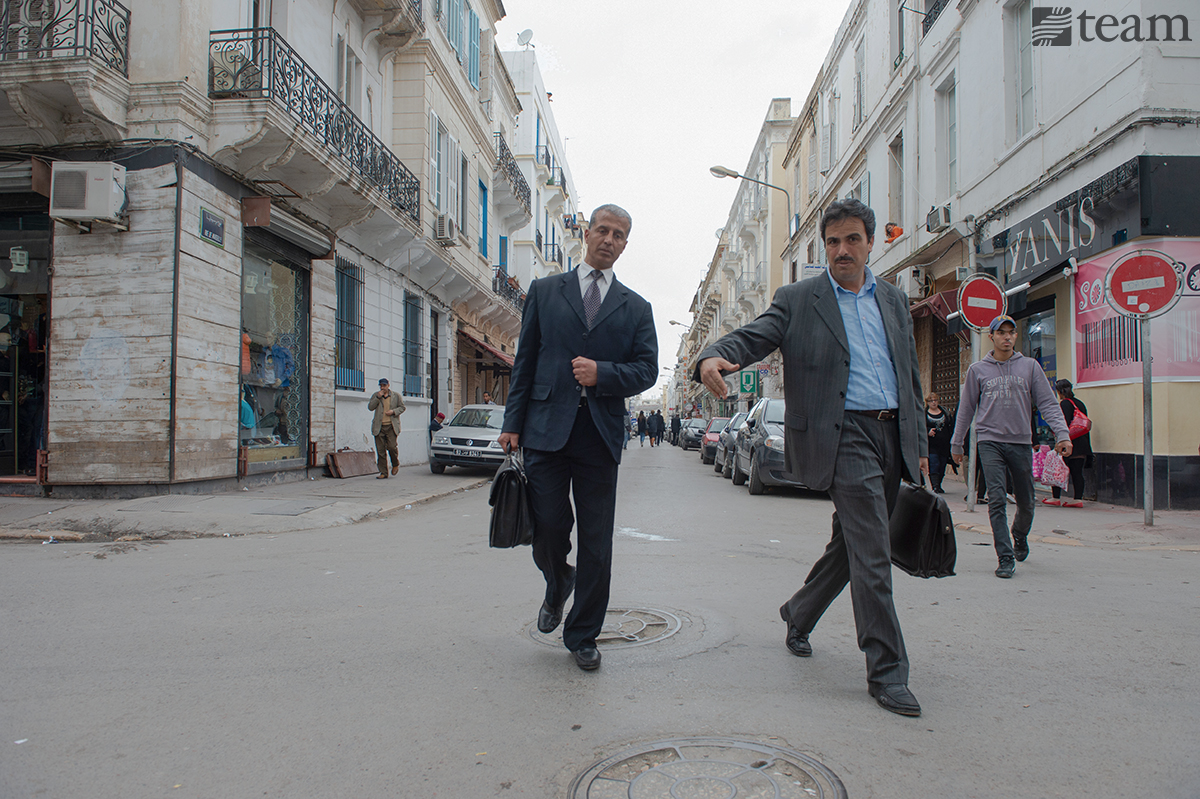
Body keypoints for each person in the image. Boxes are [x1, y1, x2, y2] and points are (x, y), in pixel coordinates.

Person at [696, 198, 928, 717]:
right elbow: (756, 334)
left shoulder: (892, 300)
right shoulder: (800, 298)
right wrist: (713, 356)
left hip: (892, 435)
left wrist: (919, 451)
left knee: (852, 545)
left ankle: (798, 613)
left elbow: (908, 376)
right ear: (823, 248)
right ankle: (887, 671)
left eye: (851, 240)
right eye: (832, 242)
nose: (841, 250)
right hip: (841, 435)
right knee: (873, 550)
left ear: (871, 242)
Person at [497, 204, 658, 672]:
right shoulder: (546, 292)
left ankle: (583, 634)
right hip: (545, 430)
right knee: (547, 527)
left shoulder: (636, 307)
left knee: (597, 542)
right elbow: (524, 361)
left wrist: (601, 373)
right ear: (587, 234)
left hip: (599, 436)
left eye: (619, 235)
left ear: (626, 244)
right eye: (603, 230)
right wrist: (512, 423)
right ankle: (557, 580)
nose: (609, 240)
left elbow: (647, 370)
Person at [951, 315, 1070, 578]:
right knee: (996, 498)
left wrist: (1062, 433)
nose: (1007, 337)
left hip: (1020, 441)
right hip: (989, 442)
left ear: (1015, 336)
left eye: (1011, 332)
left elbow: (1048, 403)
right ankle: (1004, 557)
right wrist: (956, 442)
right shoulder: (978, 371)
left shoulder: (1029, 367)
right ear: (991, 336)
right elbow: (966, 409)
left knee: (1027, 501)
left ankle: (1019, 534)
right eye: (1001, 332)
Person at [1046, 379, 1091, 508]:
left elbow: (1062, 423)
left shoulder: (1064, 404)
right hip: (1081, 442)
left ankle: (1055, 497)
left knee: (1057, 468)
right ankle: (1077, 499)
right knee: (1077, 472)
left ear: (1059, 391)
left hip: (1068, 442)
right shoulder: (1080, 404)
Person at [369, 378, 406, 479]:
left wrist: (393, 412)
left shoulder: (396, 396)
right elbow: (370, 407)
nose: (382, 388)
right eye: (381, 386)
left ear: (388, 385)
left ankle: (395, 463)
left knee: (392, 447)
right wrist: (377, 397)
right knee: (380, 451)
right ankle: (383, 472)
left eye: (384, 386)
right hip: (379, 426)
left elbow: (402, 407)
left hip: (391, 426)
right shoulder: (376, 395)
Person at [924, 392, 954, 493]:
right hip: (931, 444)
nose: (933, 402)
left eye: (935, 400)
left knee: (942, 464)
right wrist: (927, 431)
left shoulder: (944, 412)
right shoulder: (924, 413)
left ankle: (939, 484)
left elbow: (950, 425)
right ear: (927, 402)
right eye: (931, 401)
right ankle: (935, 486)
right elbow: (920, 426)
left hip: (944, 444)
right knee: (934, 463)